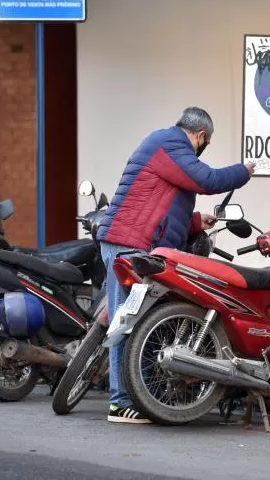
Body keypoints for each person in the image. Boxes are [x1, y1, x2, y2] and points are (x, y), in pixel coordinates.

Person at [95, 107, 256, 423]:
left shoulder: (166, 146)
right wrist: (243, 171)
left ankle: (136, 397)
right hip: (128, 244)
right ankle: (119, 402)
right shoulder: (170, 143)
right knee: (125, 322)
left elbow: (164, 205)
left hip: (135, 243)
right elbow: (207, 180)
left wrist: (197, 221)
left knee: (136, 322)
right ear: (201, 136)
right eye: (204, 143)